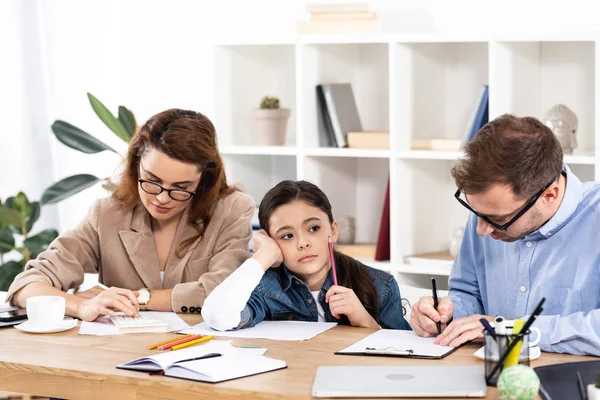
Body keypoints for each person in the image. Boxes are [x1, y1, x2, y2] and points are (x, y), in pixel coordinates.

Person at [7, 109, 255, 322]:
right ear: (136, 165)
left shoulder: (231, 210)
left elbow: (225, 292)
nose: (162, 198)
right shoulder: (106, 214)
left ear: (203, 181)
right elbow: (26, 286)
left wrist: (135, 298)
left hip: (205, 351)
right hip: (120, 355)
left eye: (180, 188)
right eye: (152, 181)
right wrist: (80, 305)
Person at [409, 114, 600, 356]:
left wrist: (515, 330)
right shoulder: (489, 212)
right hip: (487, 377)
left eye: (498, 220)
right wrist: (447, 313)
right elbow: (468, 292)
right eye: (476, 212)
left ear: (549, 195)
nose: (481, 230)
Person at [202, 180, 411, 331]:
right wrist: (263, 256)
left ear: (334, 230)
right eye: (287, 235)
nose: (303, 243)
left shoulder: (380, 285)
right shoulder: (265, 288)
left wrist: (365, 322)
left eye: (313, 228)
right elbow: (217, 317)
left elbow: (406, 358)